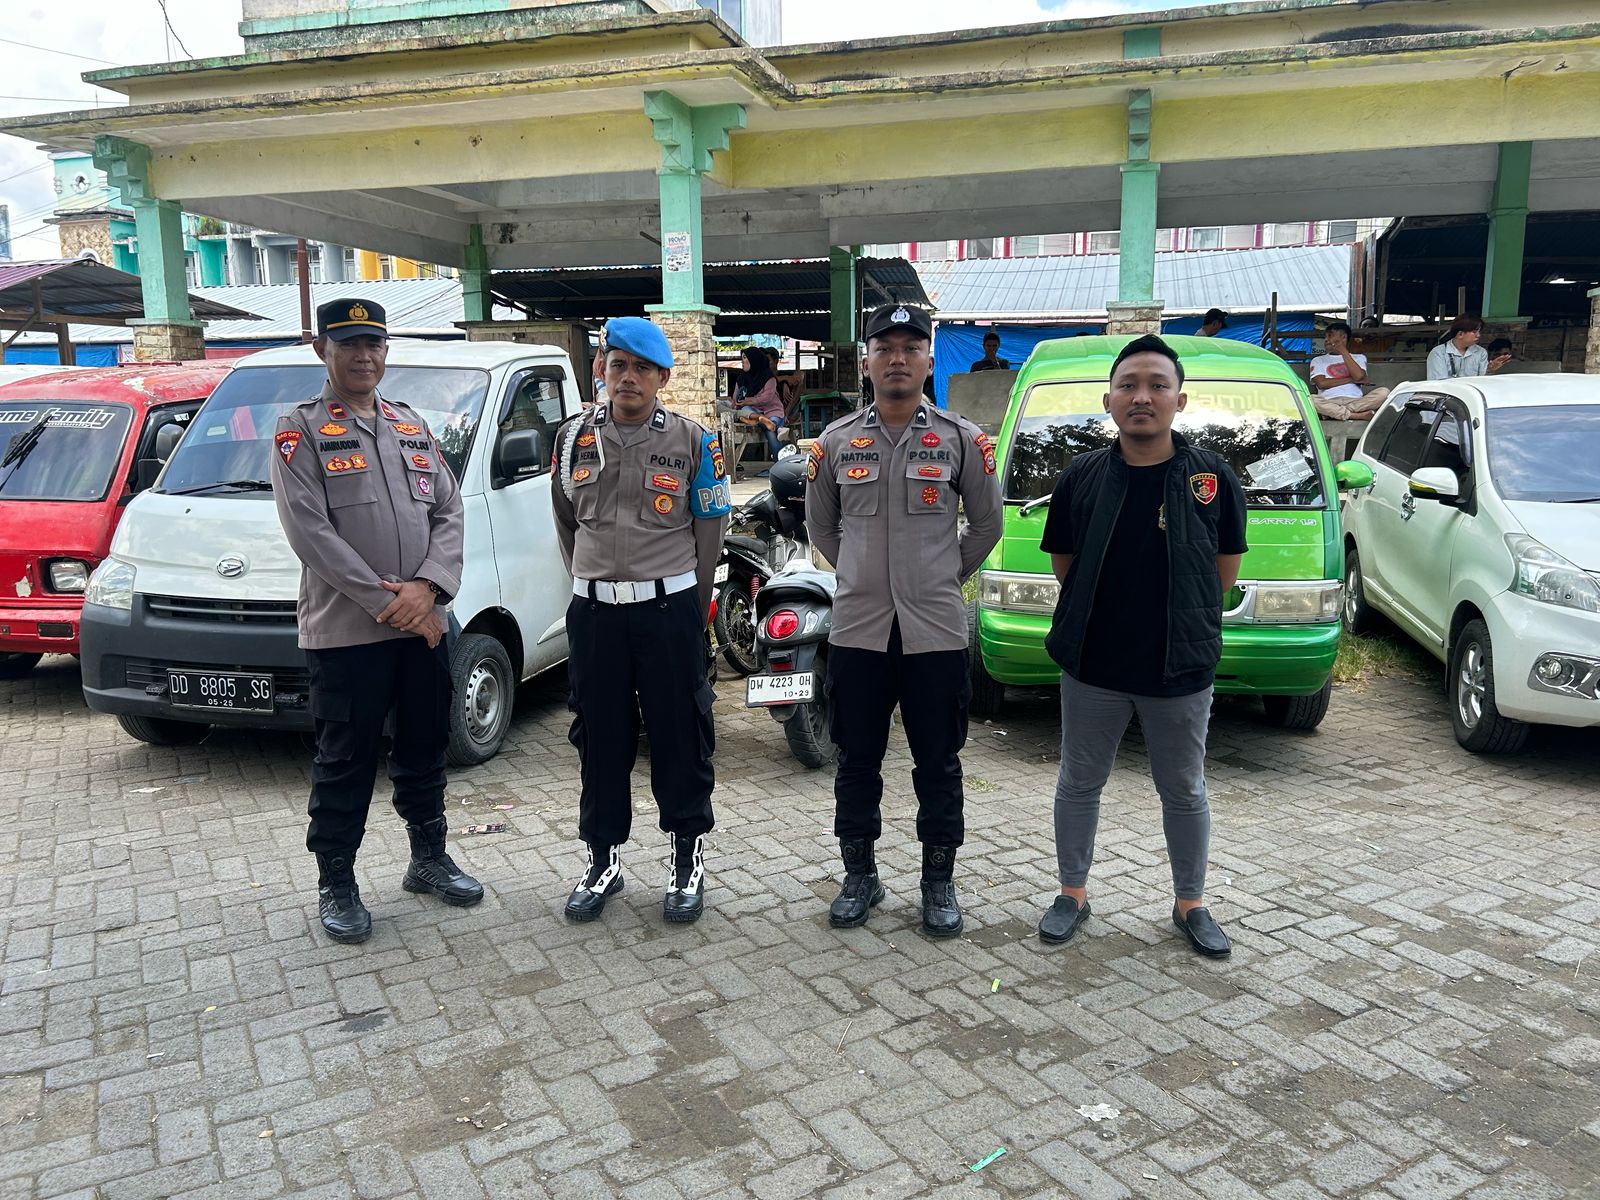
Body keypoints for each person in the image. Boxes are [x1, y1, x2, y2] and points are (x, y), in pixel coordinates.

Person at [270, 298, 481, 945]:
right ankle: (336, 881)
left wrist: (430, 588)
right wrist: (394, 603)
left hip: (424, 628)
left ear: (386, 351)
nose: (364, 356)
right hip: (347, 634)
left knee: (424, 746)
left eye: (374, 344)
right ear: (322, 351)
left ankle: (428, 858)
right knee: (346, 759)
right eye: (349, 345)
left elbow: (449, 510)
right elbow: (310, 533)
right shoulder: (300, 430)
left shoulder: (409, 424)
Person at [1034, 333, 1246, 958]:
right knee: (1079, 781)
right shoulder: (1082, 477)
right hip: (1093, 664)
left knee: (1184, 788)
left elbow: (1222, 572)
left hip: (1178, 667)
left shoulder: (1211, 478)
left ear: (1181, 399)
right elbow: (1065, 565)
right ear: (1109, 400)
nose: (1142, 397)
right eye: (1128, 385)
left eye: (1157, 385)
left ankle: (1191, 903)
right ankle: (1072, 893)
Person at [805, 303, 1004, 937]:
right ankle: (859, 876)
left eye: (910, 348)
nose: (897, 359)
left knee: (938, 762)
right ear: (865, 361)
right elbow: (822, 528)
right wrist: (863, 572)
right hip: (859, 631)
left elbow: (988, 525)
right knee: (855, 760)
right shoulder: (835, 443)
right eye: (884, 348)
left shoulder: (961, 439)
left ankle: (938, 881)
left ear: (928, 359)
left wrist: (939, 575)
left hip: (935, 633)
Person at [551, 316, 732, 924]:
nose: (628, 377)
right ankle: (602, 861)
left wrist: (691, 607)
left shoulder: (693, 441)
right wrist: (591, 581)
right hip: (596, 614)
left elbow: (709, 531)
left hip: (668, 610)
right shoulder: (571, 438)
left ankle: (686, 859)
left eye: (642, 368)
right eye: (618, 364)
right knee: (599, 738)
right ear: (602, 369)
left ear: (662, 377)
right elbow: (566, 523)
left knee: (680, 735)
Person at [1309, 320, 1389, 421]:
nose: (1326, 340)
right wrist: (1351, 380)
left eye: (1330, 336)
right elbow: (1322, 384)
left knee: (1384, 392)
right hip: (1329, 401)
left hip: (1355, 402)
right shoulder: (1317, 360)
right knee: (1310, 399)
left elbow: (1358, 376)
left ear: (1343, 337)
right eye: (1325, 337)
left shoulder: (1359, 357)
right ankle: (1356, 415)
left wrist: (1343, 351)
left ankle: (1333, 413)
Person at [723, 345, 785, 457]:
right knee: (746, 409)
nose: (742, 361)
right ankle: (775, 427)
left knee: (771, 430)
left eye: (745, 358)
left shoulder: (768, 377)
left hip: (772, 411)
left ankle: (771, 425)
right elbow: (735, 399)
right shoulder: (741, 379)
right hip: (755, 413)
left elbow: (766, 398)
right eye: (742, 358)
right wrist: (736, 405)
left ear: (754, 360)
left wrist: (747, 401)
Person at [1426, 315, 1508, 380]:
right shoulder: (1438, 353)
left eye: (1479, 332)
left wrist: (1489, 370)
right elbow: (1438, 384)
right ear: (1460, 334)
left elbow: (1483, 381)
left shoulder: (1481, 352)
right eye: (1474, 332)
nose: (1478, 335)